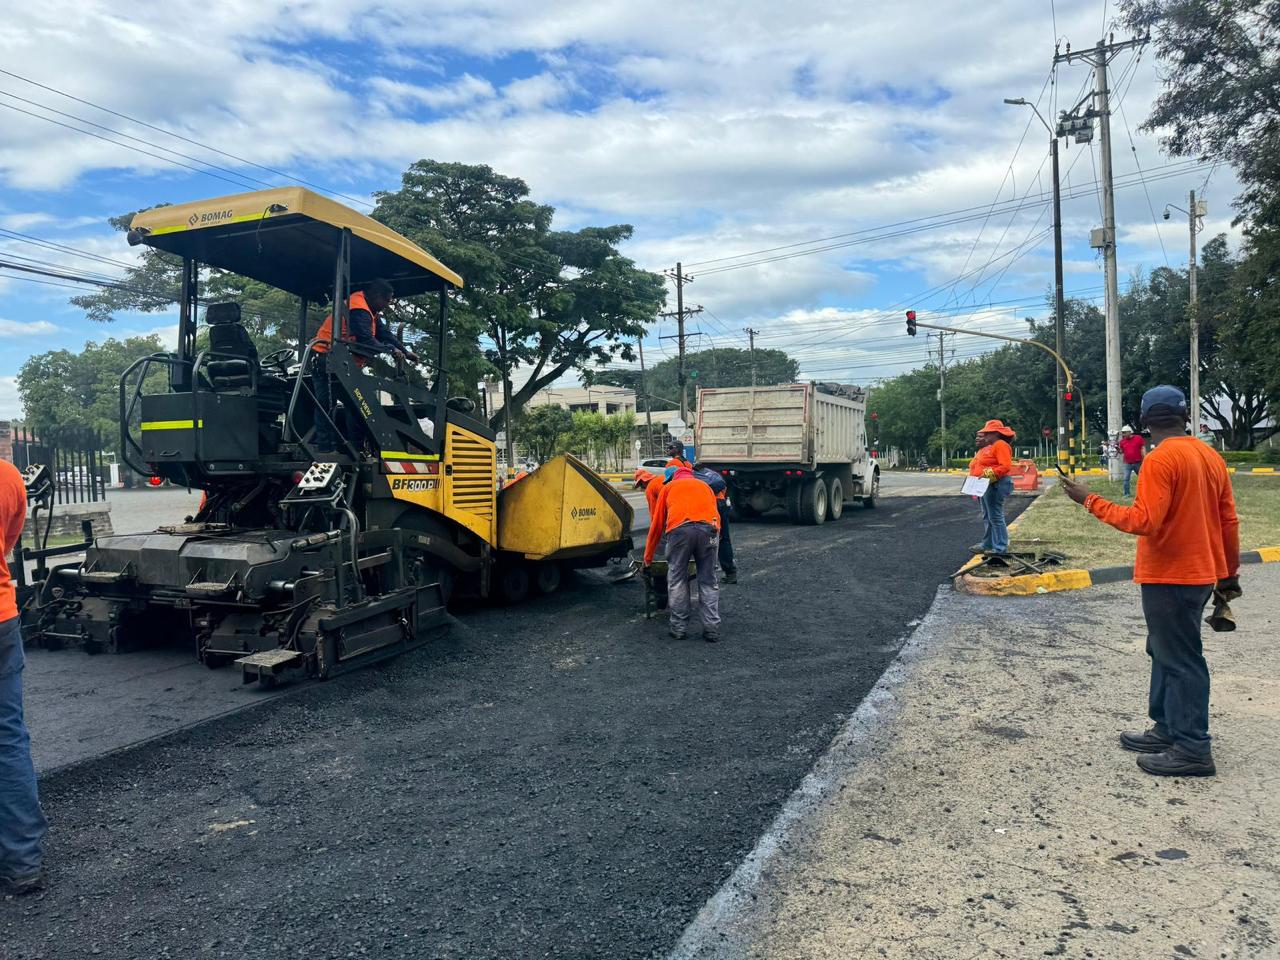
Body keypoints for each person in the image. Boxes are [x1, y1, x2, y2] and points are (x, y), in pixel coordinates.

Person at [1059, 385, 1239, 778]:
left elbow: (1143, 521)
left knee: (1181, 659)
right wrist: (1228, 573)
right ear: (1185, 417)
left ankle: (1193, 748)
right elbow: (1228, 520)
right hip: (1199, 574)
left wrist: (1089, 500)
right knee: (1163, 651)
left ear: (1143, 421)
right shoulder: (1209, 455)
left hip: (1171, 575)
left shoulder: (1159, 461)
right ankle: (1166, 728)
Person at [1, 460, 47, 895]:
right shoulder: (8, 476)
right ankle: (22, 862)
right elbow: (8, 541)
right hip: (1, 620)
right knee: (8, 737)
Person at [311, 279, 419, 451]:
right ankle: (329, 448)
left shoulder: (369, 309)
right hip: (328, 360)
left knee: (353, 405)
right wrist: (391, 350)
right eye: (387, 301)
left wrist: (405, 351)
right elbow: (365, 339)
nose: (387, 305)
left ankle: (349, 448)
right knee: (345, 404)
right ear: (377, 296)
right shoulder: (359, 309)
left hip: (338, 361)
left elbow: (384, 334)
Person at [643, 465, 722, 642]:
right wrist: (715, 542)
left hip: (679, 532)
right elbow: (717, 516)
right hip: (710, 531)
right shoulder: (705, 487)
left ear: (673, 478)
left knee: (677, 579)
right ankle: (712, 629)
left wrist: (647, 559)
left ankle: (678, 628)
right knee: (708, 580)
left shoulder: (669, 488)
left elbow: (656, 527)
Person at [968, 420, 1016, 555]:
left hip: (996, 484)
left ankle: (1000, 548)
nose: (985, 436)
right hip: (985, 484)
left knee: (995, 516)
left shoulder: (1000, 445)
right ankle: (988, 544)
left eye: (987, 433)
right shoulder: (988, 447)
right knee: (988, 516)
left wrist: (988, 475)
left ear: (996, 434)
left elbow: (1005, 466)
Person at [1117, 425, 1145, 498]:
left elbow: (1142, 448)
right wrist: (1117, 448)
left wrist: (1145, 457)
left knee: (1143, 478)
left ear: (1130, 432)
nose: (1123, 434)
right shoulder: (1122, 442)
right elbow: (1121, 451)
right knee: (1126, 479)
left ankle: (1145, 492)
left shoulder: (1138, 438)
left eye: (1124, 433)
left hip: (1138, 462)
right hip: (1127, 463)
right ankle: (1126, 494)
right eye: (1122, 433)